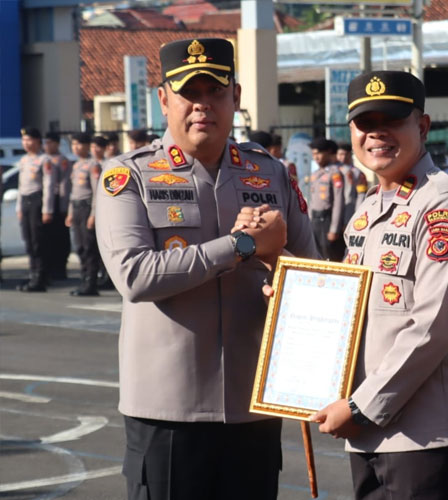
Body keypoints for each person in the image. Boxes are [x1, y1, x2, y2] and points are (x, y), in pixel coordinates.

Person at [95, 38, 317, 500]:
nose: (202, 105)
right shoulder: (129, 175)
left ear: (235, 97)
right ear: (163, 100)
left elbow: (313, 276)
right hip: (168, 411)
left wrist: (278, 262)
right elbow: (135, 276)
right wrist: (240, 246)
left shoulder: (271, 173)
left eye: (215, 91)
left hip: (253, 408)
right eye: (188, 93)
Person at [312, 70, 448, 500]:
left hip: (425, 440)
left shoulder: (443, 204)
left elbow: (432, 326)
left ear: (423, 126)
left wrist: (360, 407)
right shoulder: (369, 207)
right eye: (364, 123)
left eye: (391, 120)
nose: (377, 133)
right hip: (372, 435)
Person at [16, 127, 56, 292]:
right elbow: (20, 186)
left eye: (29, 139)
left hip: (36, 201)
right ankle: (33, 274)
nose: (26, 143)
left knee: (38, 241)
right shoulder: (24, 160)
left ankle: (40, 277)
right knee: (28, 240)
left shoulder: (44, 160)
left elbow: (49, 185)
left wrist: (47, 209)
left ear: (38, 141)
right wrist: (19, 206)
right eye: (24, 140)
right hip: (25, 201)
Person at [66, 133, 101, 296]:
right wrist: (70, 213)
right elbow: (73, 192)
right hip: (77, 208)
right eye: (73, 144)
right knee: (79, 246)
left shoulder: (93, 165)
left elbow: (96, 192)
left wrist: (93, 214)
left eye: (79, 144)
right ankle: (84, 279)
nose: (75, 148)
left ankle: (91, 283)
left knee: (89, 247)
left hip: (87, 208)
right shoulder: (76, 165)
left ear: (87, 146)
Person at [308, 137, 346, 261]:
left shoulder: (334, 173)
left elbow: (338, 202)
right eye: (313, 154)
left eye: (319, 153)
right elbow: (311, 201)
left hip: (327, 220)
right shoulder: (315, 174)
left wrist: (334, 228)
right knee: (316, 256)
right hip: (315, 220)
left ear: (327, 153)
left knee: (331, 257)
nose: (316, 157)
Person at [43, 131, 72, 280]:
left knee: (60, 238)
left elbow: (64, 185)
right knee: (46, 238)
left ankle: (60, 268)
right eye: (45, 142)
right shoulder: (44, 160)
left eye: (49, 143)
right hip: (45, 203)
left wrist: (63, 207)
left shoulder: (62, 160)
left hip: (58, 203)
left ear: (57, 144)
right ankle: (48, 268)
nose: (46, 146)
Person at [336, 143, 369, 222]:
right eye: (340, 154)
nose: (343, 157)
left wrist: (357, 215)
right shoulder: (332, 171)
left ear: (350, 155)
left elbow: (361, 195)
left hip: (350, 212)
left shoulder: (358, 174)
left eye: (346, 154)